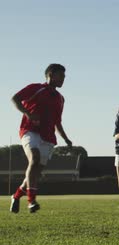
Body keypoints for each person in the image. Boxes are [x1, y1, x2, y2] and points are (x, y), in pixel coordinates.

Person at [9, 64, 72, 214]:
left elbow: (57, 122)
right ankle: (32, 201)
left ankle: (16, 196)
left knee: (35, 173)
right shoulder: (36, 88)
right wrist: (28, 114)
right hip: (29, 131)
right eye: (61, 76)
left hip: (48, 136)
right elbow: (15, 99)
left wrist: (66, 139)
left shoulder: (60, 99)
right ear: (51, 75)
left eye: (65, 77)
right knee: (34, 158)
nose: (63, 79)